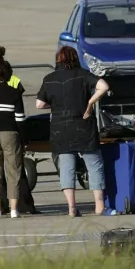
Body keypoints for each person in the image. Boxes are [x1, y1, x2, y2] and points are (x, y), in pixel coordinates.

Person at [36, 46, 115, 217]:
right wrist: (90, 103)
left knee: (66, 167)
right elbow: (104, 86)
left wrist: (55, 105)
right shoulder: (83, 74)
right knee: (94, 164)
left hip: (59, 128)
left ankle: (72, 207)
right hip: (83, 125)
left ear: (58, 60)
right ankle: (99, 207)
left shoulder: (49, 78)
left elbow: (39, 104)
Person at [0, 48, 38, 215]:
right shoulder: (14, 92)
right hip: (10, 134)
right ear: (8, 75)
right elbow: (20, 118)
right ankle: (13, 210)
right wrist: (24, 138)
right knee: (14, 172)